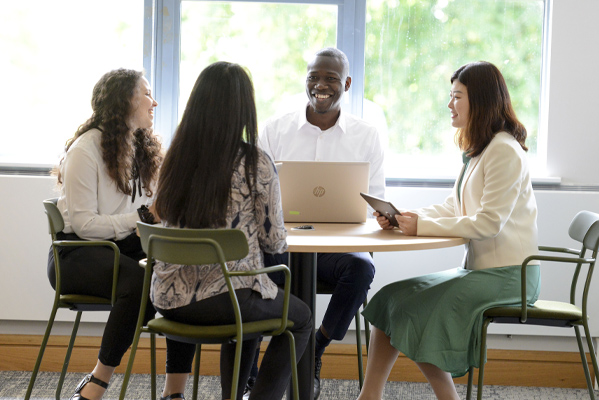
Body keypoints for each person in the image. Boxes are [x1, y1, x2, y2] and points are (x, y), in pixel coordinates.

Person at [356, 61, 541, 400]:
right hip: (481, 272)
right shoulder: (480, 150)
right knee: (389, 301)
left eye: (457, 96)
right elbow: (455, 207)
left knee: (412, 312)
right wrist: (405, 219)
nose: (449, 104)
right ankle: (369, 396)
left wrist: (420, 226)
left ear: (481, 101)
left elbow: (488, 223)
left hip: (510, 277)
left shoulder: (504, 150)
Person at [151, 61, 313, 400]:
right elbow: (274, 241)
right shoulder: (254, 163)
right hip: (226, 301)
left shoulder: (175, 159)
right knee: (299, 317)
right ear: (243, 109)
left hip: (168, 299)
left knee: (257, 291)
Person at [251, 47, 385, 400]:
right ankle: (253, 377)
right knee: (243, 269)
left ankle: (315, 349)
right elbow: (255, 197)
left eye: (331, 79)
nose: (320, 85)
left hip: (334, 252)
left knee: (362, 267)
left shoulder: (366, 135)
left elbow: (373, 203)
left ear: (348, 84)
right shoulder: (276, 130)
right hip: (281, 249)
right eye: (313, 77)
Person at [48, 68, 163, 400]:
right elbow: (85, 225)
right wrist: (142, 216)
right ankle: (97, 382)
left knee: (176, 272)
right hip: (76, 256)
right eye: (146, 94)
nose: (153, 103)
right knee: (142, 284)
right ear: (124, 101)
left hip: (117, 249)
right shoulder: (85, 150)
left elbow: (148, 211)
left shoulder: (140, 146)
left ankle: (174, 390)